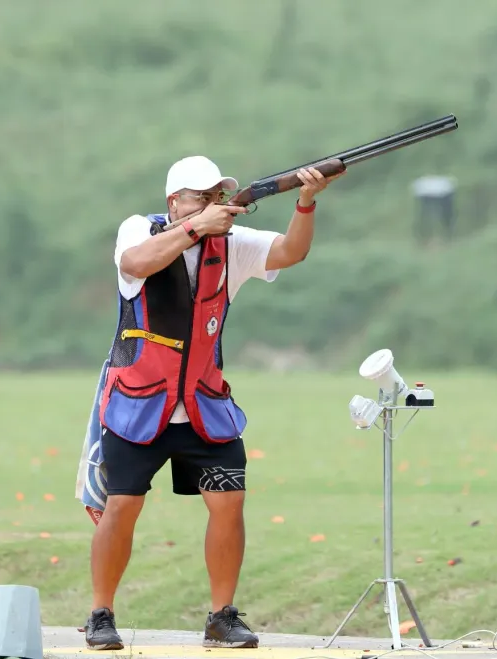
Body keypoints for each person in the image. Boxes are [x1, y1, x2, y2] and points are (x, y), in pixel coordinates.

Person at [83, 155, 343, 651]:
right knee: (121, 507)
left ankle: (221, 617)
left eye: (217, 195)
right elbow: (135, 264)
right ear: (173, 202)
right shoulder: (140, 228)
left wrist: (305, 203)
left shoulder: (231, 244)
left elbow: (290, 252)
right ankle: (100, 614)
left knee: (229, 503)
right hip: (140, 403)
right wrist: (196, 228)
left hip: (203, 404)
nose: (212, 204)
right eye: (200, 196)